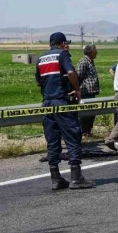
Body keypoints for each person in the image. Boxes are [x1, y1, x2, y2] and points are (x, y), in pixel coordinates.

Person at [36, 32, 95, 190]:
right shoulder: (62, 55)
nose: (66, 45)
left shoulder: (41, 58)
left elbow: (38, 82)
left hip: (47, 103)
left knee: (53, 140)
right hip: (62, 102)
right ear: (62, 44)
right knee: (73, 137)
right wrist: (76, 89)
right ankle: (76, 177)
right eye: (65, 43)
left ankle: (56, 178)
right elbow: (70, 72)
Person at [76, 44, 100, 137]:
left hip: (91, 92)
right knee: (86, 114)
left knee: (91, 113)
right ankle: (84, 132)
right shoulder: (83, 62)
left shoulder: (90, 61)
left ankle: (88, 131)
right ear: (91, 52)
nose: (97, 52)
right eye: (95, 50)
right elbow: (79, 76)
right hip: (85, 92)